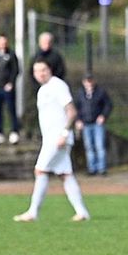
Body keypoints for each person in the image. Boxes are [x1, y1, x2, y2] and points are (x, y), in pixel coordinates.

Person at [13, 60, 90, 223]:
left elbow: (71, 111)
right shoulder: (42, 90)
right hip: (50, 139)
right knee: (65, 175)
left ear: (50, 70)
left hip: (58, 139)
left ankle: (33, 212)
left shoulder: (58, 85)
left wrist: (64, 133)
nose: (41, 73)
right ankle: (82, 212)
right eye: (37, 71)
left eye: (44, 70)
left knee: (40, 170)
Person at [73, 73, 113, 176]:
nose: (89, 83)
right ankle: (92, 168)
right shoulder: (80, 93)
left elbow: (108, 105)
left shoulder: (101, 92)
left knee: (99, 146)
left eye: (90, 81)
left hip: (97, 123)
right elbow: (76, 108)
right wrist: (78, 120)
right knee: (89, 147)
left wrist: (103, 116)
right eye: (87, 81)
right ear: (84, 82)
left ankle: (102, 169)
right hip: (86, 123)